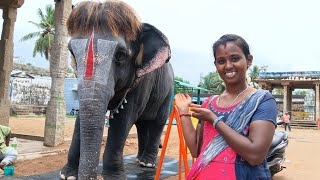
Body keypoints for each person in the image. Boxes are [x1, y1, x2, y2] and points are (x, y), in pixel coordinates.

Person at [174, 34, 277, 179]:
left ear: (249, 60)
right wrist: (184, 112)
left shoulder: (262, 101)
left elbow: (255, 155)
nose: (228, 66)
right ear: (216, 65)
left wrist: (215, 121)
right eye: (221, 61)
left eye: (235, 59)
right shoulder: (209, 103)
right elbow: (196, 150)